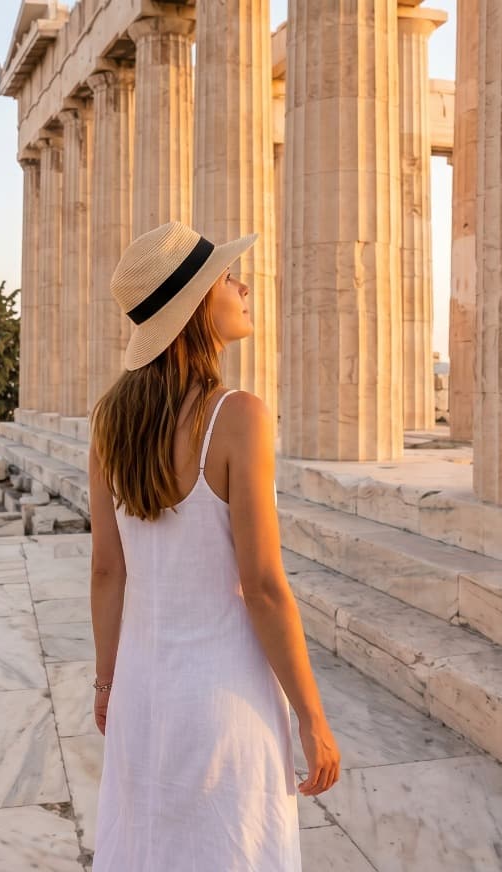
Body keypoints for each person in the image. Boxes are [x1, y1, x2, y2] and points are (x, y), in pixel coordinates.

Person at [86, 221, 341, 871]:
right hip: (224, 701)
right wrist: (312, 718)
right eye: (229, 278)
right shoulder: (238, 417)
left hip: (142, 694)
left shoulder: (110, 421)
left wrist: (107, 681)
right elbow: (261, 587)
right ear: (198, 304)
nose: (244, 284)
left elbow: (108, 570)